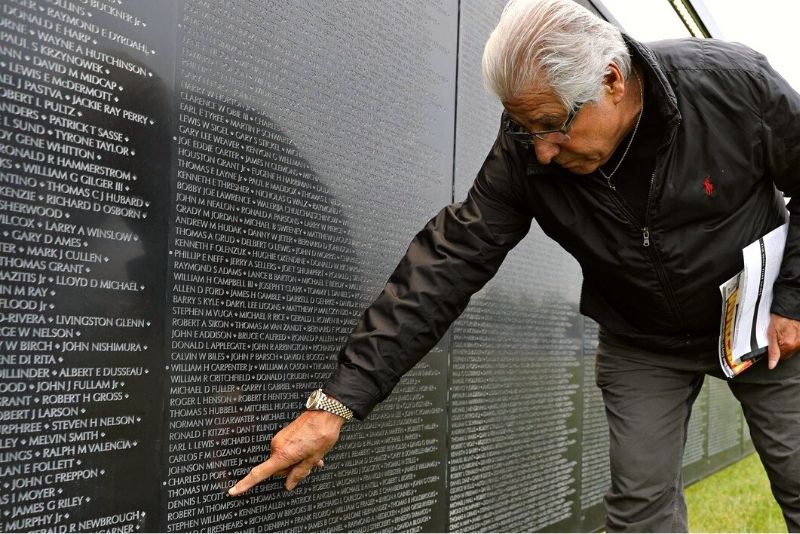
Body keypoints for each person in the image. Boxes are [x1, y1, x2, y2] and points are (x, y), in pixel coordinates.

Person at [229, 0, 800, 530]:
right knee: (638, 507)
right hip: (642, 340)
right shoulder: (525, 149)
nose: (543, 151)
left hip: (765, 322)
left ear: (612, 80)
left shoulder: (732, 86)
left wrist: (793, 299)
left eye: (553, 125)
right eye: (528, 131)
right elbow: (448, 263)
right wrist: (336, 404)